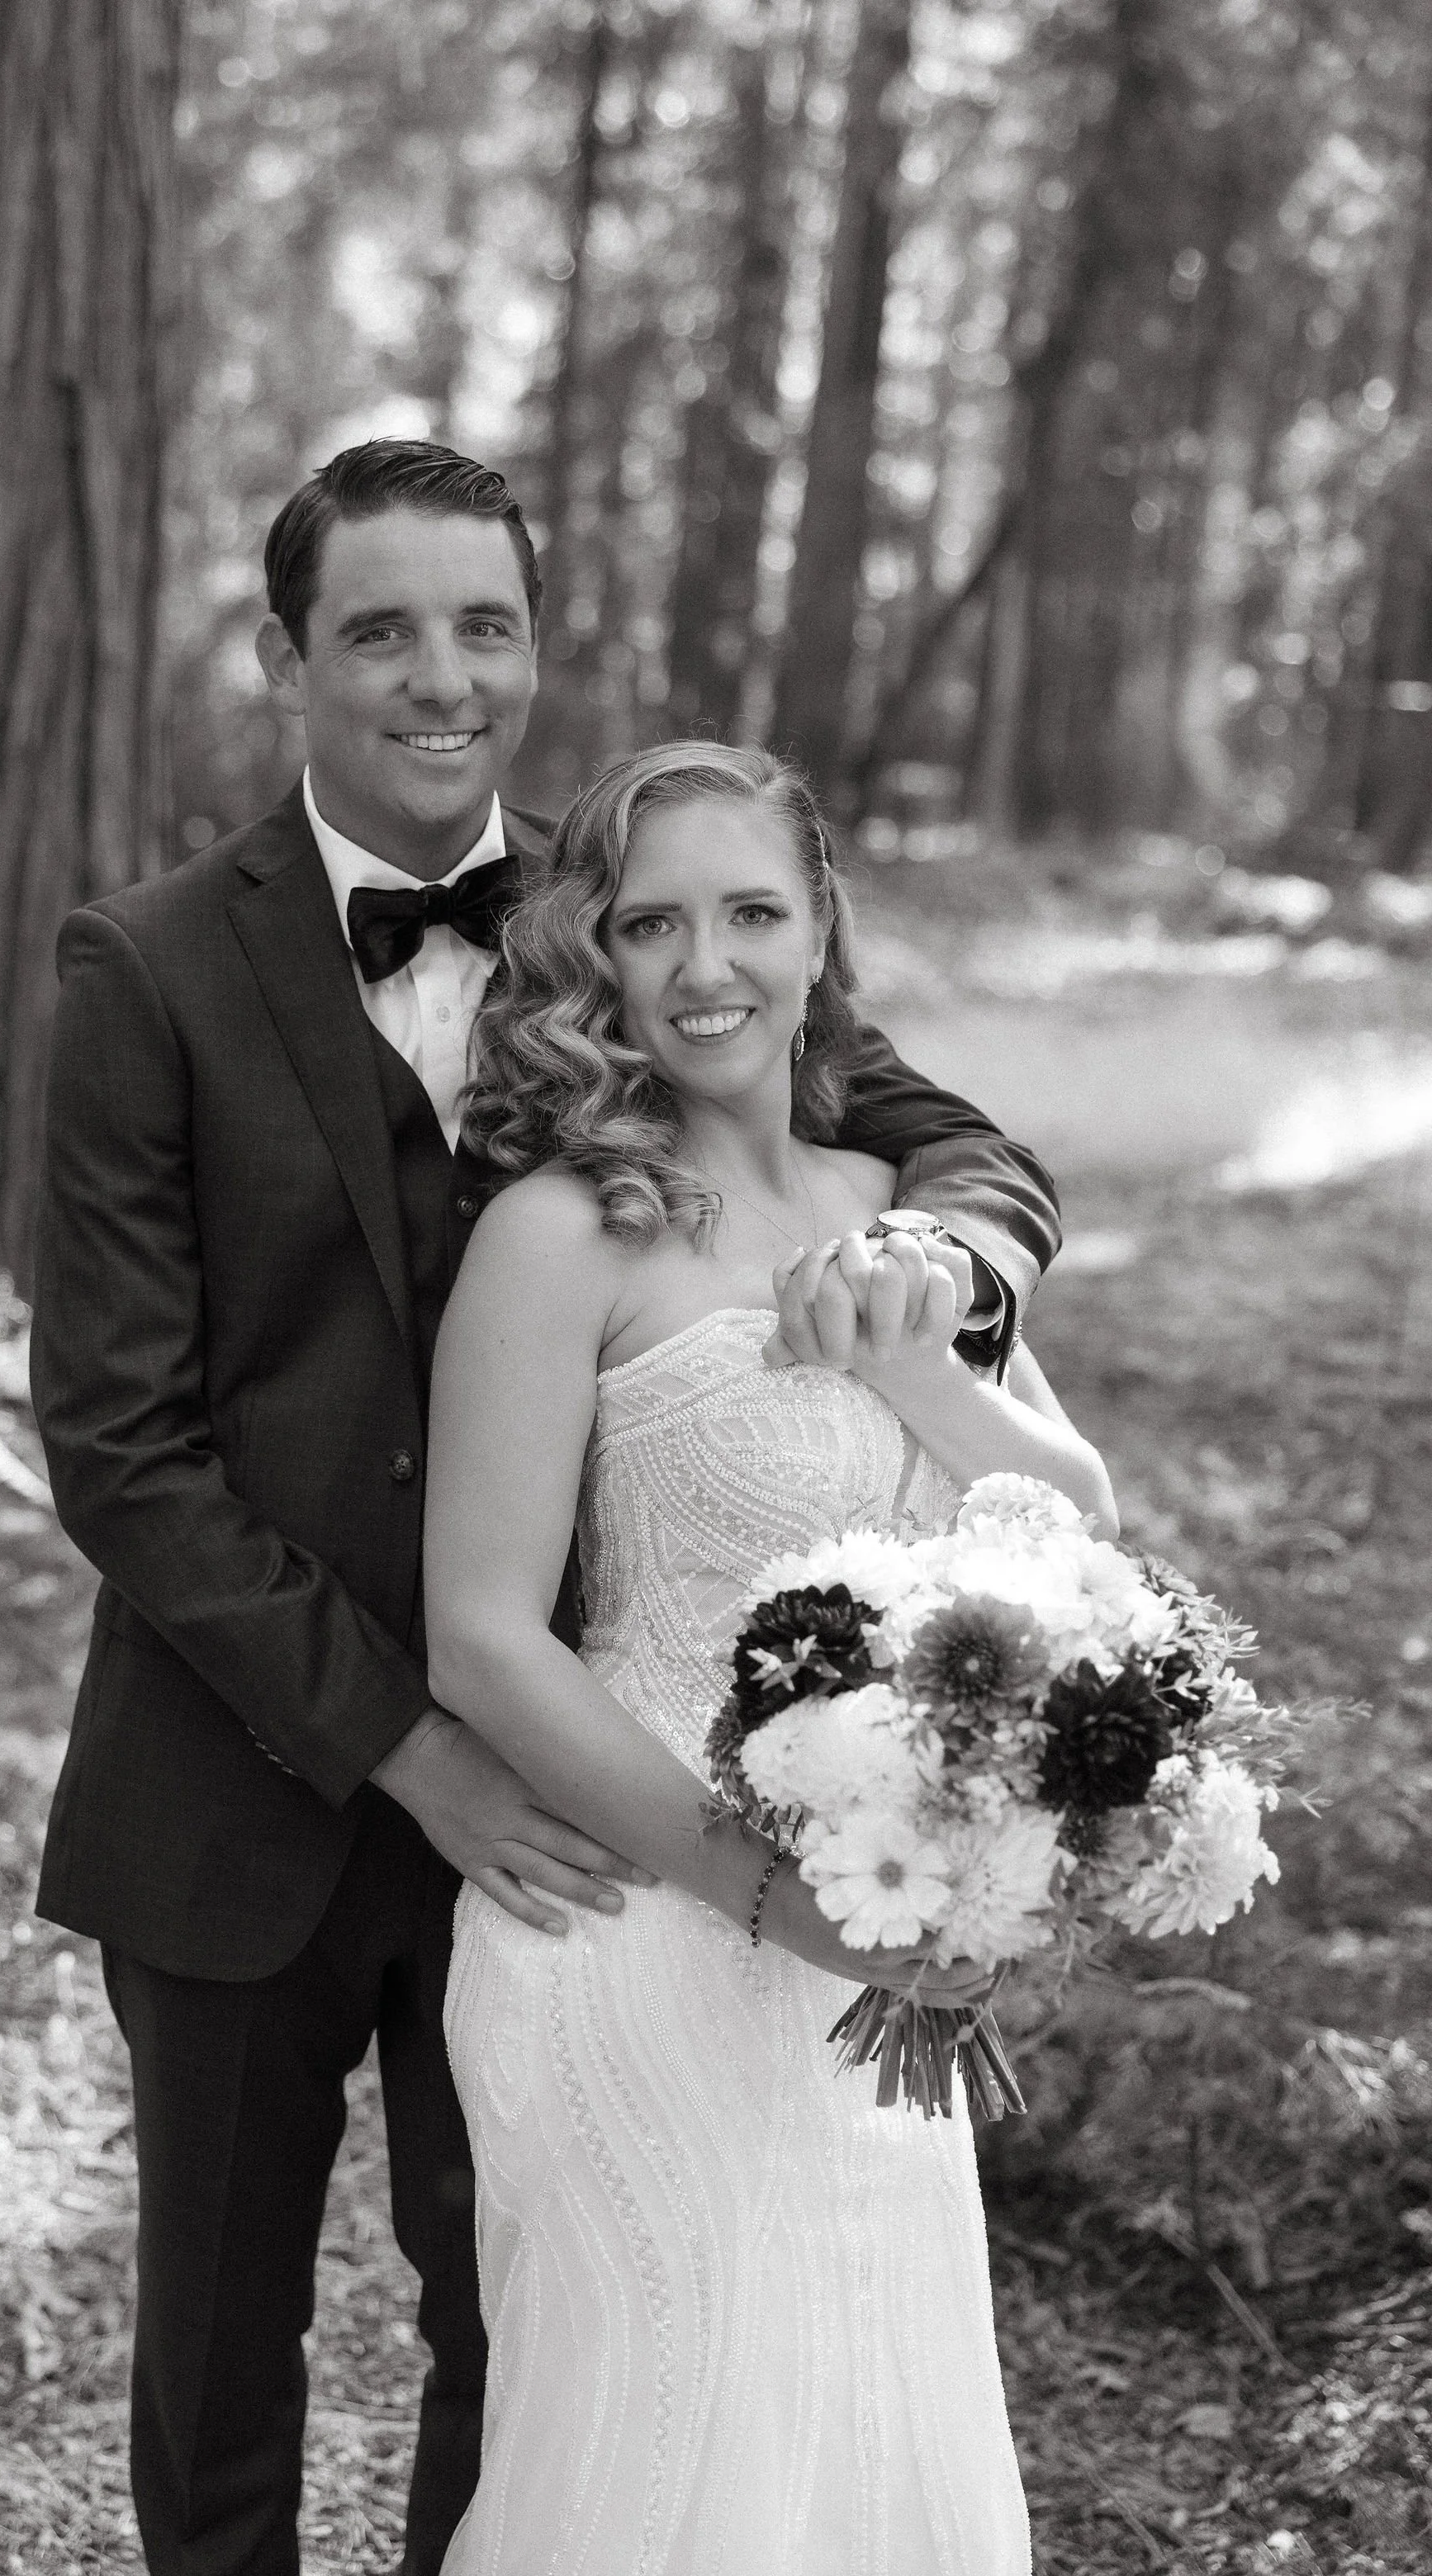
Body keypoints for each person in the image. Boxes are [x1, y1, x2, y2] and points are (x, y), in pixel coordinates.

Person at [29, 438, 1063, 2576]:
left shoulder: (627, 918)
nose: (441, 677)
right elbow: (121, 1448)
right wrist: (416, 1749)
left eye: (484, 626)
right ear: (284, 654)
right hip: (246, 1782)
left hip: (580, 1817)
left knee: (540, 2362)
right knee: (217, 2374)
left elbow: (951, 1141)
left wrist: (950, 1277)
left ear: (532, 646)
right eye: (381, 628)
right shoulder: (146, 970)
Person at [424, 739, 1115, 2574]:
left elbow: (1078, 1518)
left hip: (874, 1938)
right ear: (596, 958)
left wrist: (904, 1354)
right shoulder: (561, 1229)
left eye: (749, 910)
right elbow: (485, 1637)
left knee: (865, 2453)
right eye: (652, 923)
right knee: (674, 2468)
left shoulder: (900, 1203)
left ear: (820, 934)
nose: (704, 962)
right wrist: (762, 1900)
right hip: (637, 1925)